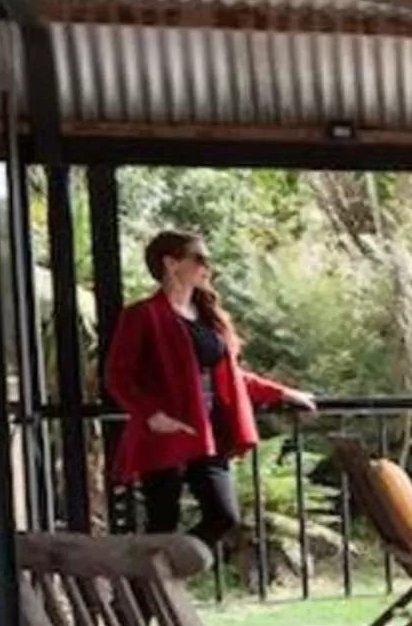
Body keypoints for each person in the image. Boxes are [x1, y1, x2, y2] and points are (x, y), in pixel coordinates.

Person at [105, 230, 316, 554]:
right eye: (200, 258)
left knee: (223, 516)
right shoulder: (143, 315)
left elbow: (231, 377)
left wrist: (283, 393)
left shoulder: (208, 318)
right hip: (166, 435)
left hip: (209, 435)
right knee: (162, 522)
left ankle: (168, 570)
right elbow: (118, 377)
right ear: (171, 264)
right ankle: (144, 597)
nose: (208, 266)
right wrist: (152, 416)